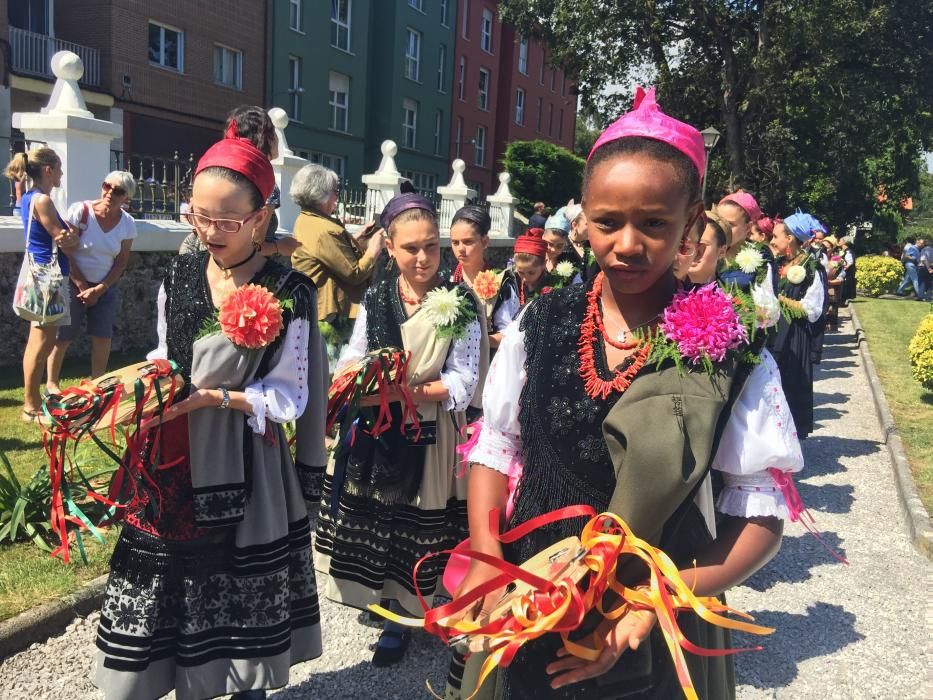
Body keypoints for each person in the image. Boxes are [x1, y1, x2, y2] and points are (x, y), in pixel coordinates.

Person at [450, 86, 797, 699]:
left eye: (654, 223)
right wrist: (487, 556)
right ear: (582, 219)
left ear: (691, 225)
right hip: (531, 588)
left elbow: (762, 513)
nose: (628, 244)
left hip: (655, 610)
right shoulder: (543, 320)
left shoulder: (729, 354)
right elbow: (497, 445)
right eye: (607, 222)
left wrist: (658, 600)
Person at [93, 129, 324, 700]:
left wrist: (217, 399)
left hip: (247, 461)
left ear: (261, 218)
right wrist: (146, 386)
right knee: (161, 588)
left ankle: (242, 688)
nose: (210, 232)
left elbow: (293, 396)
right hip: (171, 458)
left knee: (239, 596)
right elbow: (165, 351)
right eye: (200, 217)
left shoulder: (289, 289)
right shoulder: (179, 272)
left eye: (227, 221)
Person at [314, 192, 483, 668]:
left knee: (419, 521)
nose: (424, 258)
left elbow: (463, 382)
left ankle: (407, 615)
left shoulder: (461, 303)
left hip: (428, 434)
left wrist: (401, 392)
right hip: (377, 426)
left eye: (431, 245)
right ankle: (386, 603)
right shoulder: (377, 298)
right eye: (411, 248)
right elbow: (353, 352)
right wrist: (358, 376)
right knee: (378, 515)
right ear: (389, 247)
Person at [4, 147, 79, 423]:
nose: (61, 173)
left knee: (37, 341)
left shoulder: (28, 198)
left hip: (40, 275)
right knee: (42, 343)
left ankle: (31, 402)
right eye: (58, 167)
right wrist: (73, 236)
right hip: (47, 277)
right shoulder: (43, 201)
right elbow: (63, 240)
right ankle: (31, 406)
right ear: (48, 170)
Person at [45, 172, 138, 390]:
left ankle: (97, 382)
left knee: (102, 336)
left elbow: (121, 262)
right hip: (73, 282)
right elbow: (67, 251)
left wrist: (100, 289)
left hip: (105, 286)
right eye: (107, 186)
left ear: (127, 198)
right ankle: (51, 383)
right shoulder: (81, 211)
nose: (110, 193)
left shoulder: (128, 224)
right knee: (63, 336)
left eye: (118, 191)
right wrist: (83, 286)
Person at [290, 163, 383, 370]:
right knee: (338, 373)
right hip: (333, 316)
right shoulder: (325, 230)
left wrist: (356, 239)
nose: (337, 197)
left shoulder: (307, 219)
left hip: (319, 308)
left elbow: (333, 257)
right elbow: (354, 273)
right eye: (334, 192)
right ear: (321, 194)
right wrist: (374, 250)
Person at [179, 105, 300, 260]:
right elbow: (254, 246)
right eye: (273, 132)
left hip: (195, 255)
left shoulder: (218, 172)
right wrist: (280, 246)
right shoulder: (261, 185)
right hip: (230, 269)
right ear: (266, 137)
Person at [768, 212, 825, 439]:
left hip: (794, 337)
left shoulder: (811, 269)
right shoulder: (777, 263)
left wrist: (778, 299)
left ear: (790, 238)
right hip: (774, 334)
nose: (772, 241)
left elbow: (812, 310)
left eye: (775, 236)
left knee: (789, 386)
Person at [450, 204, 520, 349]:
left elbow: (510, 334)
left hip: (487, 364)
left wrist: (475, 341)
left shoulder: (501, 283)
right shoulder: (447, 279)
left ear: (485, 241)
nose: (460, 249)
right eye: (455, 242)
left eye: (468, 241)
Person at [718, 191, 774, 293]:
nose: (723, 228)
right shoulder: (708, 249)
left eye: (730, 224)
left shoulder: (761, 256)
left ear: (748, 227)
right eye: (719, 222)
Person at [687, 209, 732, 285]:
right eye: (688, 244)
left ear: (721, 251)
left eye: (702, 245)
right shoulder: (664, 290)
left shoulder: (729, 294)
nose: (693, 252)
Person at [917, 238, 932, 302]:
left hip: (923, 267)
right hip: (931, 267)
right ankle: (928, 297)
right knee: (929, 283)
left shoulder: (924, 250)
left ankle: (921, 296)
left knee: (921, 283)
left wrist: (928, 268)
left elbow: (923, 260)